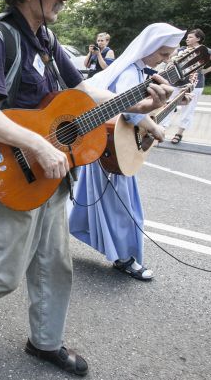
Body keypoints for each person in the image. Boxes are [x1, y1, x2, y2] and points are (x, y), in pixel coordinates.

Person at [0, 0, 175, 377]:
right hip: (10, 170)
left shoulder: (47, 40)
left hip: (53, 173)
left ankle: (45, 342)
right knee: (4, 274)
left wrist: (140, 108)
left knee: (54, 265)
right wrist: (38, 145)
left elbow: (87, 92)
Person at [69, 23, 187, 281]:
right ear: (149, 47)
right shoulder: (129, 72)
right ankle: (124, 257)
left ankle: (69, 233)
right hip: (113, 148)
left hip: (109, 145)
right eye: (163, 54)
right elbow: (127, 108)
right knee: (122, 208)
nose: (165, 60)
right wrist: (153, 127)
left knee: (101, 200)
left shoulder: (138, 70)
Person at [166, 29, 211, 144]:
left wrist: (206, 71)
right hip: (176, 83)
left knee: (188, 109)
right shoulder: (181, 49)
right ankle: (161, 129)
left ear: (198, 38)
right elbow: (167, 57)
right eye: (187, 37)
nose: (187, 39)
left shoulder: (204, 51)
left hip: (194, 84)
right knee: (167, 106)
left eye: (190, 37)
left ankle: (179, 133)